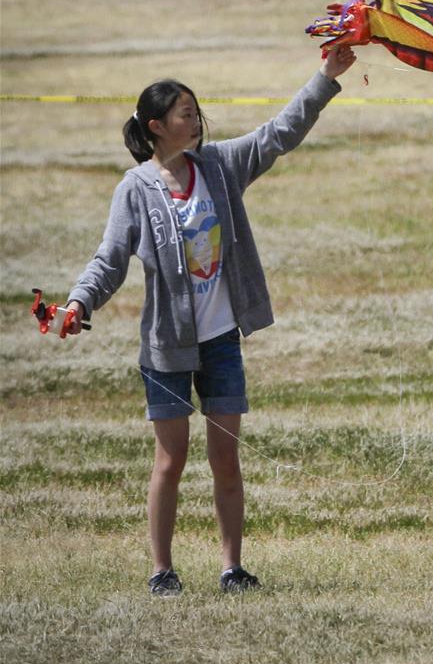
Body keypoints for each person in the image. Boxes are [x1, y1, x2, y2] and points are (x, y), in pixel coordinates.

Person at [65, 45, 356, 595]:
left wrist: (326, 77)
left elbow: (278, 134)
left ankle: (231, 567)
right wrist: (81, 301)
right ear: (156, 126)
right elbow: (110, 259)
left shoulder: (219, 167)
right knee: (170, 461)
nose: (195, 120)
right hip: (166, 349)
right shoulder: (136, 189)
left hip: (221, 341)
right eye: (184, 114)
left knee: (226, 458)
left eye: (196, 112)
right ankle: (162, 571)